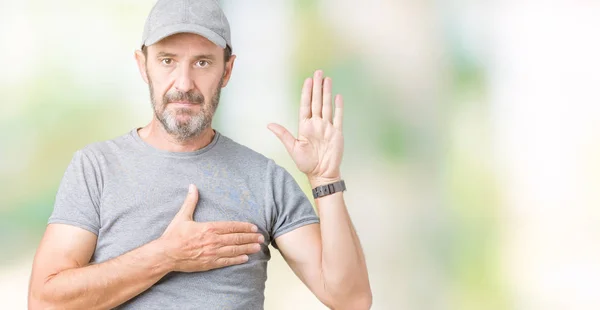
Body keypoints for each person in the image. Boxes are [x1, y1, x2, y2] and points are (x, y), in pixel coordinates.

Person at [27, 0, 371, 309]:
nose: (184, 83)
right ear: (143, 65)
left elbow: (350, 298)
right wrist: (166, 255)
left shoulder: (265, 179)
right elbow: (45, 302)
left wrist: (326, 179)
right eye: (167, 60)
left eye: (203, 62)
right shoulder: (96, 168)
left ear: (227, 70)